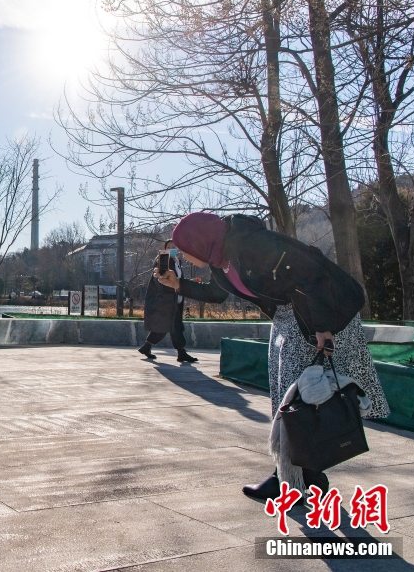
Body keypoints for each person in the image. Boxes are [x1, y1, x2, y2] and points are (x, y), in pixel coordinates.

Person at [155, 212, 389, 500]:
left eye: (187, 251)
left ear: (201, 241)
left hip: (320, 314)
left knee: (295, 401)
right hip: (287, 319)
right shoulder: (221, 261)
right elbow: (218, 295)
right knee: (284, 395)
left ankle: (292, 478)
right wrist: (178, 285)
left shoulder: (252, 244)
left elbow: (311, 271)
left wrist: (322, 327)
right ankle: (304, 476)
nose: (187, 259)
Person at [138, 239, 198, 363]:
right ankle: (180, 353)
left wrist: (189, 283)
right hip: (166, 301)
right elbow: (160, 278)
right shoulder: (163, 259)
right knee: (169, 325)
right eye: (170, 246)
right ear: (165, 248)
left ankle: (147, 347)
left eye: (175, 246)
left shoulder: (176, 261)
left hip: (175, 299)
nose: (173, 249)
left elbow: (176, 278)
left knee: (172, 325)